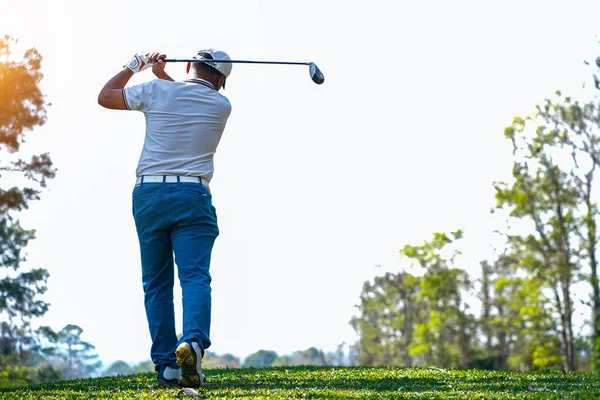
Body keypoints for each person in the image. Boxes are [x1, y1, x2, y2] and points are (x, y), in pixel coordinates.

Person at [97, 49, 232, 388]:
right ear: (221, 81)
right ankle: (193, 343)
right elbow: (191, 99)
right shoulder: (220, 106)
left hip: (149, 195)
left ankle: (167, 366)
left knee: (156, 284)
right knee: (195, 277)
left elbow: (105, 97)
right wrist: (162, 78)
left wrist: (136, 66)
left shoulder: (157, 91)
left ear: (189, 65)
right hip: (193, 196)